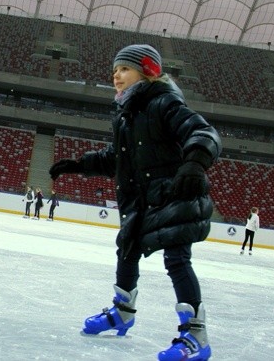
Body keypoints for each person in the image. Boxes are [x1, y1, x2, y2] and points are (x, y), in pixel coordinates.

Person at [49, 44, 222, 361]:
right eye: (114, 70)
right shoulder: (127, 115)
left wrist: (195, 163)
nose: (117, 75)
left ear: (147, 72)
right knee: (126, 249)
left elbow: (202, 131)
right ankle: (122, 312)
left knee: (177, 261)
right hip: (139, 199)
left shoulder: (164, 103)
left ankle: (196, 335)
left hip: (173, 195)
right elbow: (118, 158)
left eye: (124, 69)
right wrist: (80, 164)